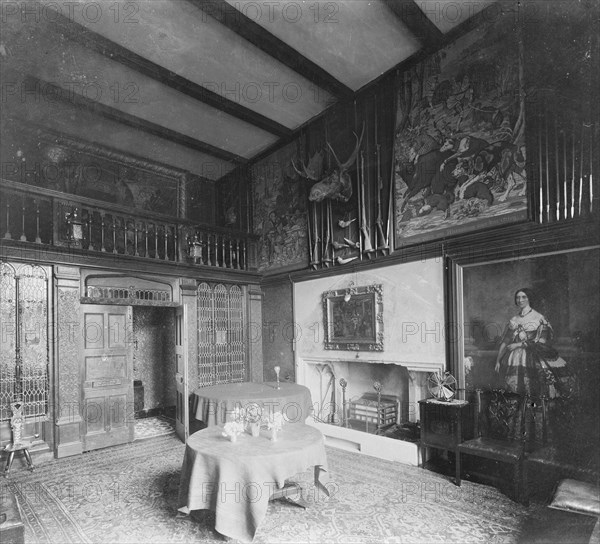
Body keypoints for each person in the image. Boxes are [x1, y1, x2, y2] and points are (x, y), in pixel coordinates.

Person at [494, 288, 568, 398]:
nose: (520, 300)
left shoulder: (539, 318)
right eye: (518, 297)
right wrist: (498, 360)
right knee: (514, 391)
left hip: (534, 356)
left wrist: (518, 345)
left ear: (529, 299)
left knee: (533, 389)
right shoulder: (514, 320)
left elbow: (542, 341)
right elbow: (505, 342)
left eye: (524, 297)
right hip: (513, 358)